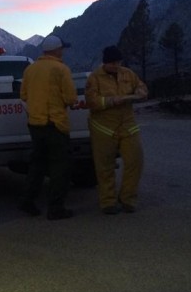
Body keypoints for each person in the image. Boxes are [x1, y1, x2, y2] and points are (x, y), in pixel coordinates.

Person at [19, 34, 77, 220]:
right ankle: (56, 208)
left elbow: (24, 95)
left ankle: (27, 201)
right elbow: (71, 98)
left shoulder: (30, 70)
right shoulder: (61, 69)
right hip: (55, 123)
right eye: (62, 48)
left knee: (37, 164)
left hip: (35, 124)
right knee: (60, 167)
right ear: (57, 50)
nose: (63, 51)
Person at [85, 46, 148, 215]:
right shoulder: (95, 78)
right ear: (105, 62)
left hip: (127, 125)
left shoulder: (128, 74)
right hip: (103, 127)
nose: (116, 65)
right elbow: (92, 102)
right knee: (105, 166)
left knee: (135, 161)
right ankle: (108, 202)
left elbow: (141, 87)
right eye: (113, 63)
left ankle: (128, 199)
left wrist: (140, 93)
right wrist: (113, 101)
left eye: (118, 62)